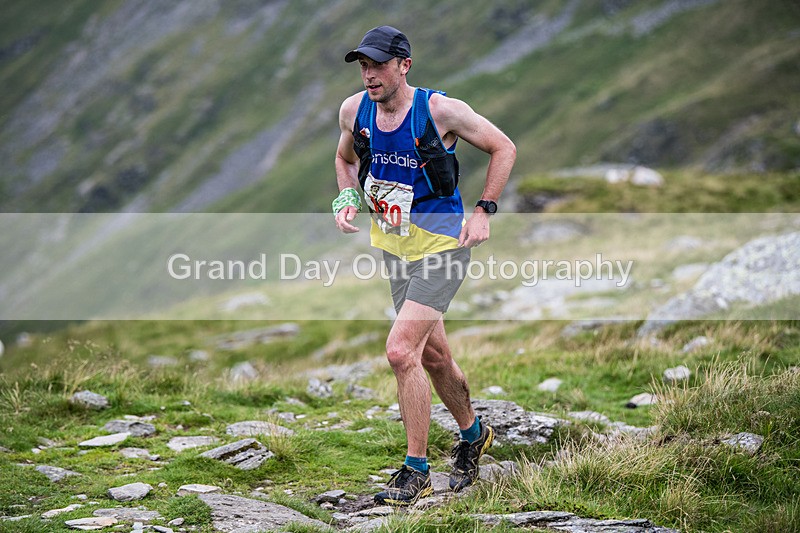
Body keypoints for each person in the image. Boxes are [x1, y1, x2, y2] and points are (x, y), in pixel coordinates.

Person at [332, 25, 516, 506]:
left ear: (404, 65)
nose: (368, 74)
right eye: (362, 65)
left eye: (377, 64)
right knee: (432, 357)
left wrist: (483, 212)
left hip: (443, 245)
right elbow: (343, 157)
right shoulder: (355, 110)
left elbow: (504, 147)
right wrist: (348, 195)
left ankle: (416, 472)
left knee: (400, 351)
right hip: (395, 245)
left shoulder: (440, 111)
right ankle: (474, 434)